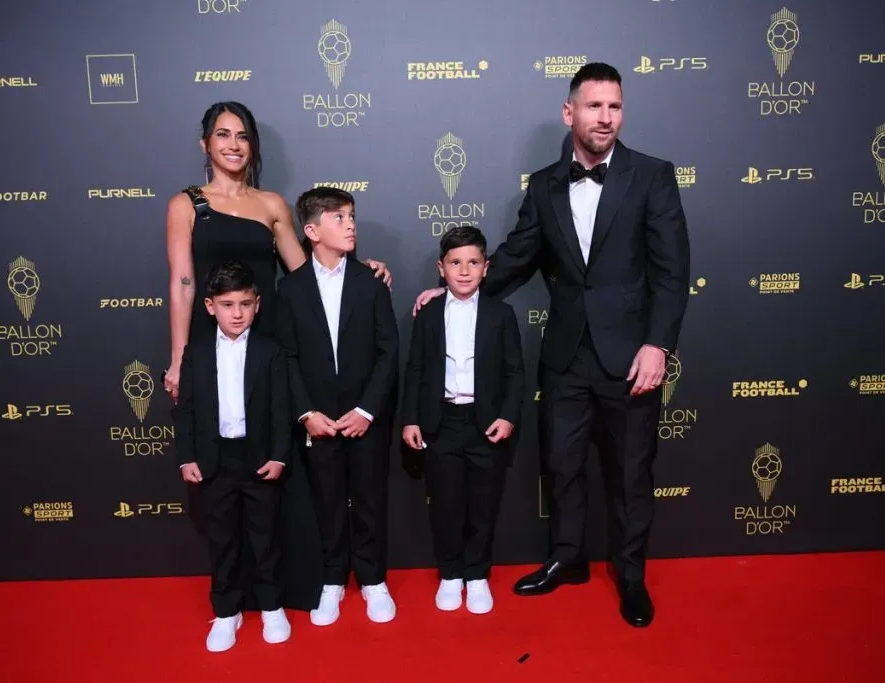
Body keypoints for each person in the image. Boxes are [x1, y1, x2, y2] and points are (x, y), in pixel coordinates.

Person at [415, 63, 691, 627]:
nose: (605, 117)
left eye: (614, 107)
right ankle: (567, 559)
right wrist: (455, 287)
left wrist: (657, 345)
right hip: (565, 357)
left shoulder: (653, 175)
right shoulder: (543, 185)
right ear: (570, 113)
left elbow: (671, 272)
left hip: (630, 356)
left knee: (631, 472)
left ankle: (631, 577)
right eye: (594, 107)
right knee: (562, 467)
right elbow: (516, 256)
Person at [163, 102, 392, 612]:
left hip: (271, 351)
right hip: (213, 343)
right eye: (222, 134)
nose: (233, 144)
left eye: (242, 135)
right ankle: (232, 599)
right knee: (224, 478)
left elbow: (304, 270)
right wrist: (179, 358)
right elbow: (182, 283)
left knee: (276, 474)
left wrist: (361, 271)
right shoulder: (186, 204)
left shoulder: (271, 204)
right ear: (205, 143)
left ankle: (287, 593)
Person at [276, 187, 400, 626]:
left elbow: (389, 352)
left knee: (369, 498)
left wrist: (367, 410)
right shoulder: (289, 289)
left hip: (365, 418)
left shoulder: (372, 281)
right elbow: (286, 357)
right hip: (318, 421)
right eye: (338, 217)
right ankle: (332, 579)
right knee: (326, 500)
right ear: (311, 231)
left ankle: (372, 579)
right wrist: (306, 412)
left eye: (351, 216)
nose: (350, 224)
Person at [401, 225, 524, 615]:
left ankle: (477, 574)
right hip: (442, 422)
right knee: (447, 505)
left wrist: (507, 416)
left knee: (482, 504)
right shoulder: (428, 312)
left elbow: (515, 373)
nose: (465, 271)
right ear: (442, 268)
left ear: (486, 268)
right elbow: (416, 369)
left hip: (485, 423)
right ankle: (451, 574)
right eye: (456, 263)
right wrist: (411, 419)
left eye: (473, 263)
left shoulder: (501, 314)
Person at [172, 260, 292, 651]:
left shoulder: (271, 351)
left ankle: (272, 606)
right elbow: (186, 409)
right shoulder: (197, 352)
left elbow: (280, 408)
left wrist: (279, 455)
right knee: (222, 540)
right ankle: (226, 611)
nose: (237, 313)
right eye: (227, 305)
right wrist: (186, 456)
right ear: (210, 306)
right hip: (214, 460)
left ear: (257, 304)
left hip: (258, 459)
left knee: (266, 537)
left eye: (245, 303)